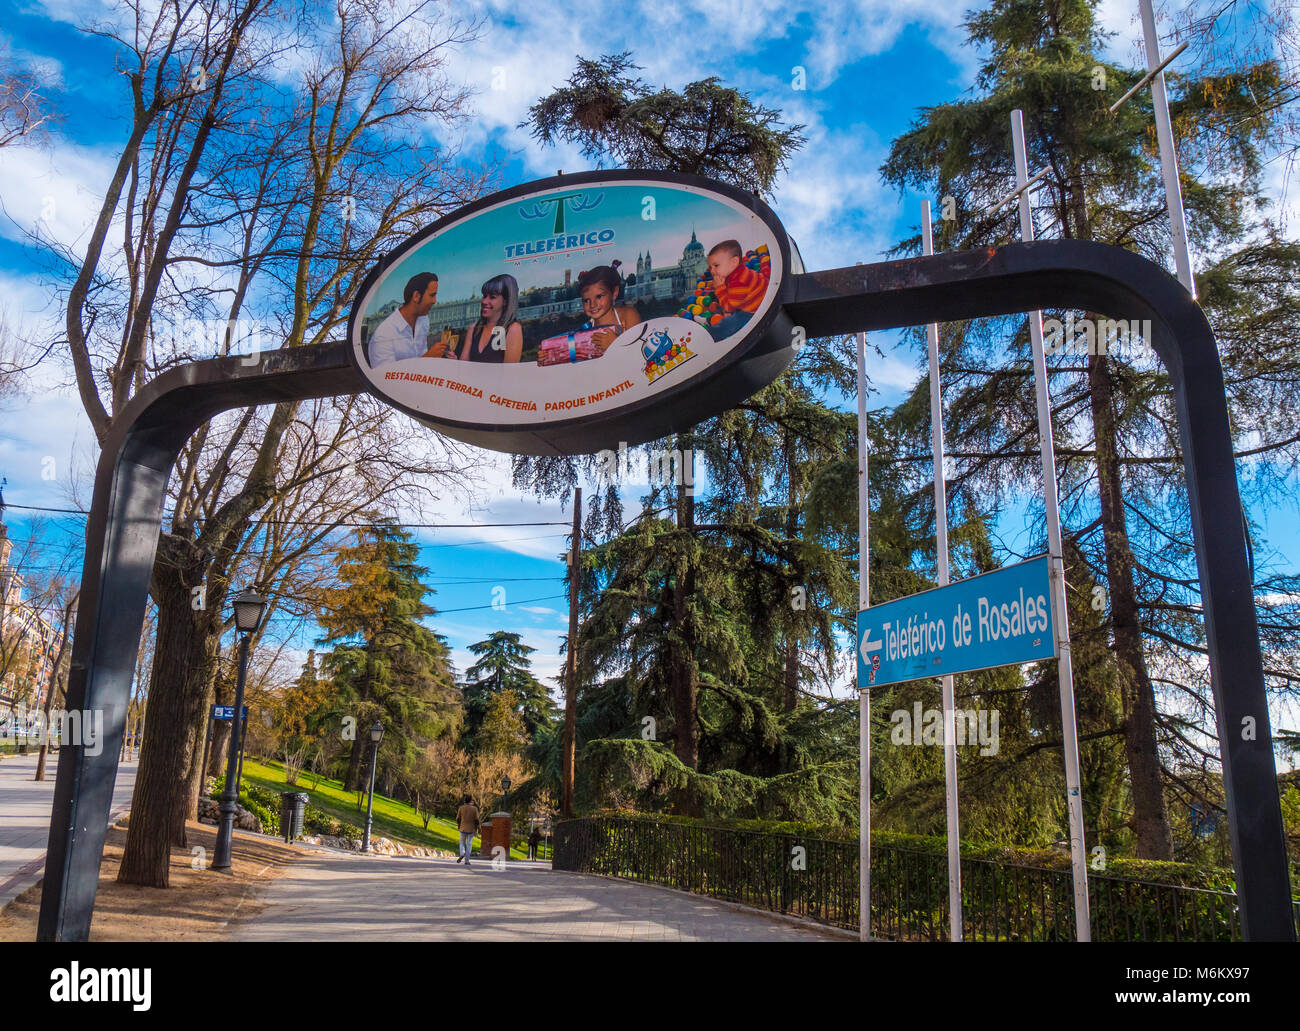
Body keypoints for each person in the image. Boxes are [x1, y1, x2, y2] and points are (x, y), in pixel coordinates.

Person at [368, 272, 452, 365]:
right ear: (416, 296)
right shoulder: (383, 336)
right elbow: (384, 376)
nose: (434, 301)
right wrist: (428, 357)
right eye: (432, 295)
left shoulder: (423, 321)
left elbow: (422, 360)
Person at [705, 240, 767, 338]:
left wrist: (720, 288)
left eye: (716, 265)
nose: (712, 271)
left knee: (729, 323)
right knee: (719, 306)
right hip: (748, 301)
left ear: (734, 262)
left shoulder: (739, 281)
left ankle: (709, 335)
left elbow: (729, 307)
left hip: (755, 311)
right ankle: (709, 320)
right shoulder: (738, 272)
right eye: (710, 267)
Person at [458, 274, 524, 363]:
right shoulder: (473, 328)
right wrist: (454, 363)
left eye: (492, 297)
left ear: (505, 301)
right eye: (484, 296)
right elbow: (463, 367)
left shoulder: (513, 329)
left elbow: (510, 374)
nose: (484, 301)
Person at [577, 265, 641, 353]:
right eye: (586, 300)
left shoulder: (628, 315)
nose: (592, 305)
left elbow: (639, 353)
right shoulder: (585, 331)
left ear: (614, 293)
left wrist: (615, 344)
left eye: (599, 296)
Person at [455, 793, 480, 866]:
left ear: (465, 800)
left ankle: (462, 853)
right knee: (469, 844)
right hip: (471, 829)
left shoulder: (461, 808)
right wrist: (478, 828)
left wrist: (459, 826)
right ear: (470, 801)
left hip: (463, 828)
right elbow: (477, 820)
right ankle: (467, 860)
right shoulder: (474, 809)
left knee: (462, 843)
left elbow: (458, 819)